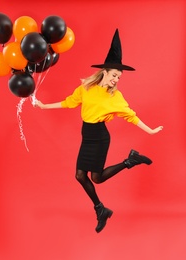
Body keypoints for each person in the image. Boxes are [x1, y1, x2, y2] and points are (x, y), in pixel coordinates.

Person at [34, 29, 163, 233]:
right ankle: (101, 209)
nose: (116, 80)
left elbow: (131, 115)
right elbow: (69, 102)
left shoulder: (116, 97)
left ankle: (129, 162)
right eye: (114, 75)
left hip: (100, 137)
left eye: (119, 77)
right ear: (104, 72)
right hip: (87, 135)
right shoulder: (86, 88)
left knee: (96, 178)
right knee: (80, 175)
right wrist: (43, 106)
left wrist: (150, 131)